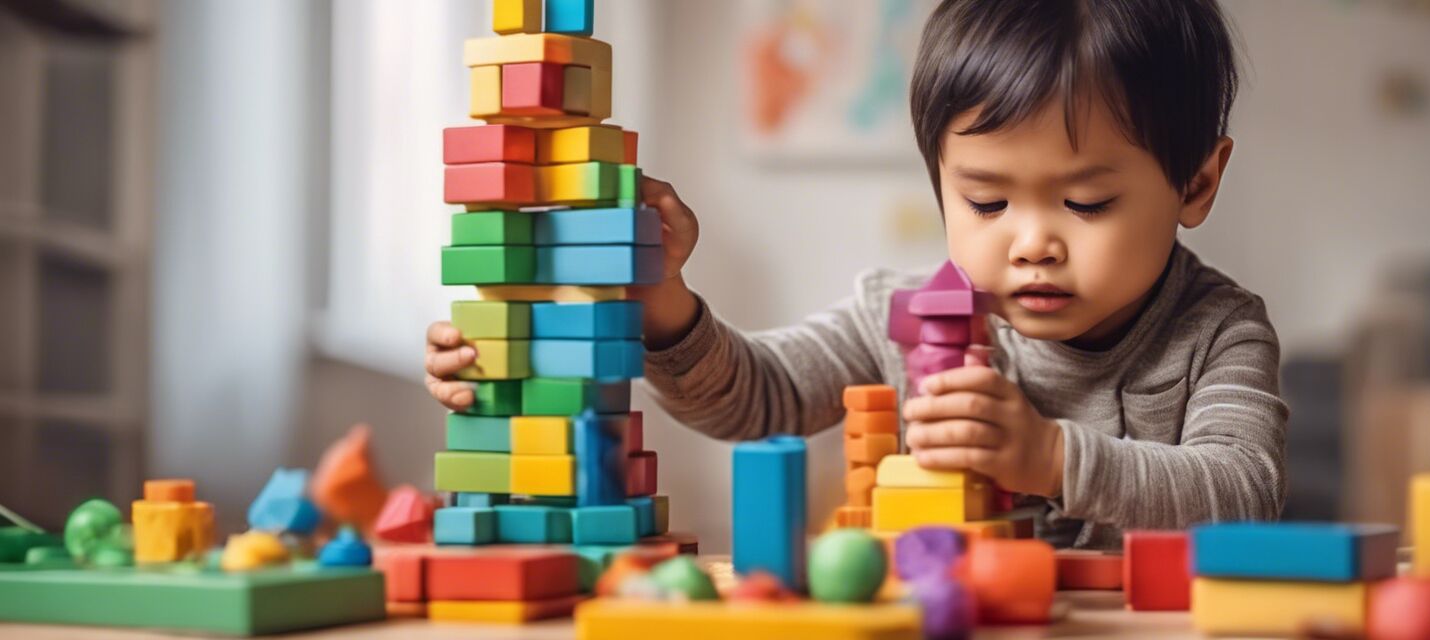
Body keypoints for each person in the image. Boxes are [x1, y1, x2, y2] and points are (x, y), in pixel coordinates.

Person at [425, 0, 1285, 548]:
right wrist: (660, 304)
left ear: (1196, 183)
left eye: (1087, 204)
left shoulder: (1219, 333)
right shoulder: (902, 314)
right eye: (987, 203)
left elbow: (1243, 493)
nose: (1032, 244)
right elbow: (756, 395)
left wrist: (1050, 457)